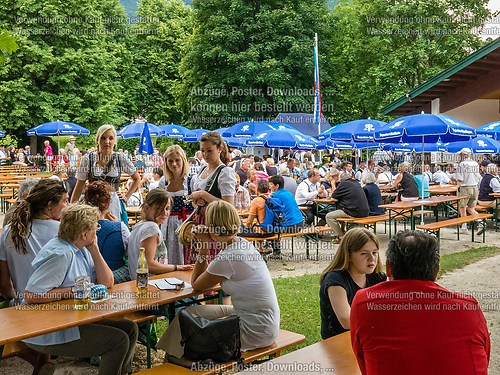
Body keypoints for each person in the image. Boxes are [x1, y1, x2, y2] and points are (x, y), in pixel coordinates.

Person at [350, 230, 490, 374]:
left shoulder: (364, 304)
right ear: (437, 271)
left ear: (389, 268)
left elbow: (364, 363)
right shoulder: (468, 307)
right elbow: (484, 356)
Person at [157, 200, 280, 361]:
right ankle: (172, 355)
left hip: (253, 329)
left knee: (187, 322)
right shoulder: (241, 244)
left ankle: (175, 360)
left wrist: (203, 246)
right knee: (187, 314)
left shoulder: (229, 257)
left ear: (213, 227)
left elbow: (197, 285)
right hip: (262, 321)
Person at [22, 204, 138, 375]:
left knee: (130, 328)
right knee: (118, 341)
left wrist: (94, 249)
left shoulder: (80, 249)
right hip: (48, 330)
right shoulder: (61, 254)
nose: (97, 231)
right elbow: (31, 295)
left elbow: (107, 281)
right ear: (84, 234)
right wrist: (75, 290)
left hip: (70, 320)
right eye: (95, 227)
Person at [0, 179, 68, 306]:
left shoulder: (8, 231)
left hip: (21, 310)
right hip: (59, 312)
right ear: (50, 206)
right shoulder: (65, 231)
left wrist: (15, 300)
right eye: (65, 201)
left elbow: (3, 283)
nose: (68, 206)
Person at [319, 228, 386, 340]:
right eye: (364, 253)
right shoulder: (335, 280)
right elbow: (347, 321)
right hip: (338, 342)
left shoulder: (377, 277)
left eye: (374, 252)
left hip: (367, 336)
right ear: (348, 256)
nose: (371, 258)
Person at [72, 124, 141, 222]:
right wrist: (71, 209)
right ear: (98, 140)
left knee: (113, 232)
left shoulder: (120, 158)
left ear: (115, 141)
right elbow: (79, 186)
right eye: (103, 138)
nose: (107, 142)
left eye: (111, 138)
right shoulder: (88, 159)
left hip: (113, 204)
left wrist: (126, 197)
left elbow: (137, 178)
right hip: (93, 204)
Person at [189, 131, 237, 263]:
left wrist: (203, 194)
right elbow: (196, 203)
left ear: (219, 148)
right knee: (198, 262)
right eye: (202, 150)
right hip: (199, 222)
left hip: (215, 225)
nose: (205, 154)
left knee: (212, 263)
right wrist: (196, 201)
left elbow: (228, 206)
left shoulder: (225, 172)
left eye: (209, 150)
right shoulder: (202, 170)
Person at [129, 189, 193, 277]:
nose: (165, 213)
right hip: (150, 283)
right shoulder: (151, 228)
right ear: (147, 208)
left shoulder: (138, 226)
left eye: (167, 208)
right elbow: (148, 265)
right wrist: (176, 267)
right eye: (159, 208)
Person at [84, 180, 131, 283]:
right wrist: (116, 226)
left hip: (87, 281)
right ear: (108, 204)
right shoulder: (120, 228)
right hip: (116, 282)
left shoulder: (78, 229)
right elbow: (131, 254)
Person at [161, 145, 195, 265]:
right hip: (167, 224)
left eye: (177, 160)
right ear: (166, 162)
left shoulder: (191, 181)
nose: (174, 164)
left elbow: (197, 206)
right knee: (169, 255)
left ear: (183, 160)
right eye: (170, 161)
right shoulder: (163, 182)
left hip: (186, 224)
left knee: (186, 256)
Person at [325, 173, 369, 243]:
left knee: (329, 216)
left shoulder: (344, 184)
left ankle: (341, 237)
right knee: (341, 210)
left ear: (341, 180)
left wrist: (333, 184)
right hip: (365, 211)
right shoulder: (356, 183)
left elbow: (333, 197)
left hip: (354, 212)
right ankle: (342, 232)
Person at [456, 147, 481, 233]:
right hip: (475, 187)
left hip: (466, 187)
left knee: (462, 207)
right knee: (471, 208)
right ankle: (480, 222)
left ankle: (464, 227)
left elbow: (460, 179)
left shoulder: (461, 164)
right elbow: (478, 176)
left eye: (461, 155)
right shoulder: (475, 163)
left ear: (464, 155)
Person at [477, 163, 500, 229]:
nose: (498, 171)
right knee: (499, 203)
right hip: (488, 201)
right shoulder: (493, 179)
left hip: (480, 200)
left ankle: (498, 221)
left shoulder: (483, 177)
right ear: (493, 171)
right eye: (496, 170)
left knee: (498, 202)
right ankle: (498, 221)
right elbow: (498, 190)